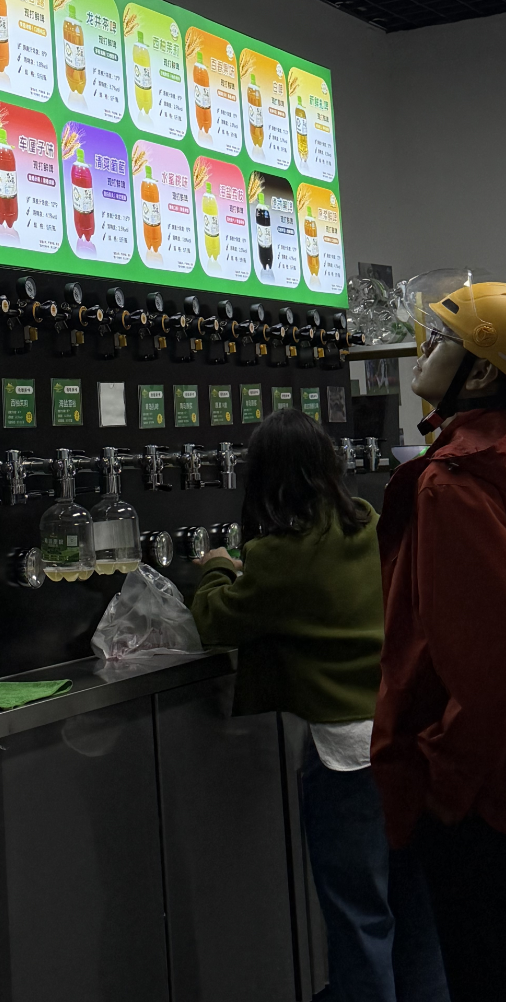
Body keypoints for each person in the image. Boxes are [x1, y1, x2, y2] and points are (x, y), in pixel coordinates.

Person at [191, 407, 447, 1002]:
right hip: (406, 739)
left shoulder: (280, 555)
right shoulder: (369, 523)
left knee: (358, 917)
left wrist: (217, 569)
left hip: (346, 759)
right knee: (416, 912)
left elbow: (215, 621)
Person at [373, 271, 506, 1002]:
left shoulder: (451, 483)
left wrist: (443, 780)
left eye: (442, 340)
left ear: (480, 372)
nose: (423, 351)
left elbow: (483, 665)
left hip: (481, 799)